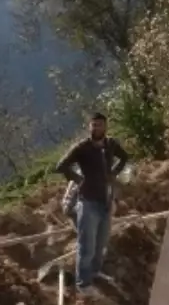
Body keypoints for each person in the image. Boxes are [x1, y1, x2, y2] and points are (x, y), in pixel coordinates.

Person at [55, 112, 129, 295]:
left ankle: (95, 273)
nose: (97, 128)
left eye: (100, 125)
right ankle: (83, 284)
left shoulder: (111, 144)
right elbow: (61, 166)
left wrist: (114, 172)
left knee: (100, 243)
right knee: (86, 245)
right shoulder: (82, 147)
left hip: (105, 201)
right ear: (89, 127)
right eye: (93, 125)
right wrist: (78, 179)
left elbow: (125, 157)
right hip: (88, 203)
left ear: (105, 127)